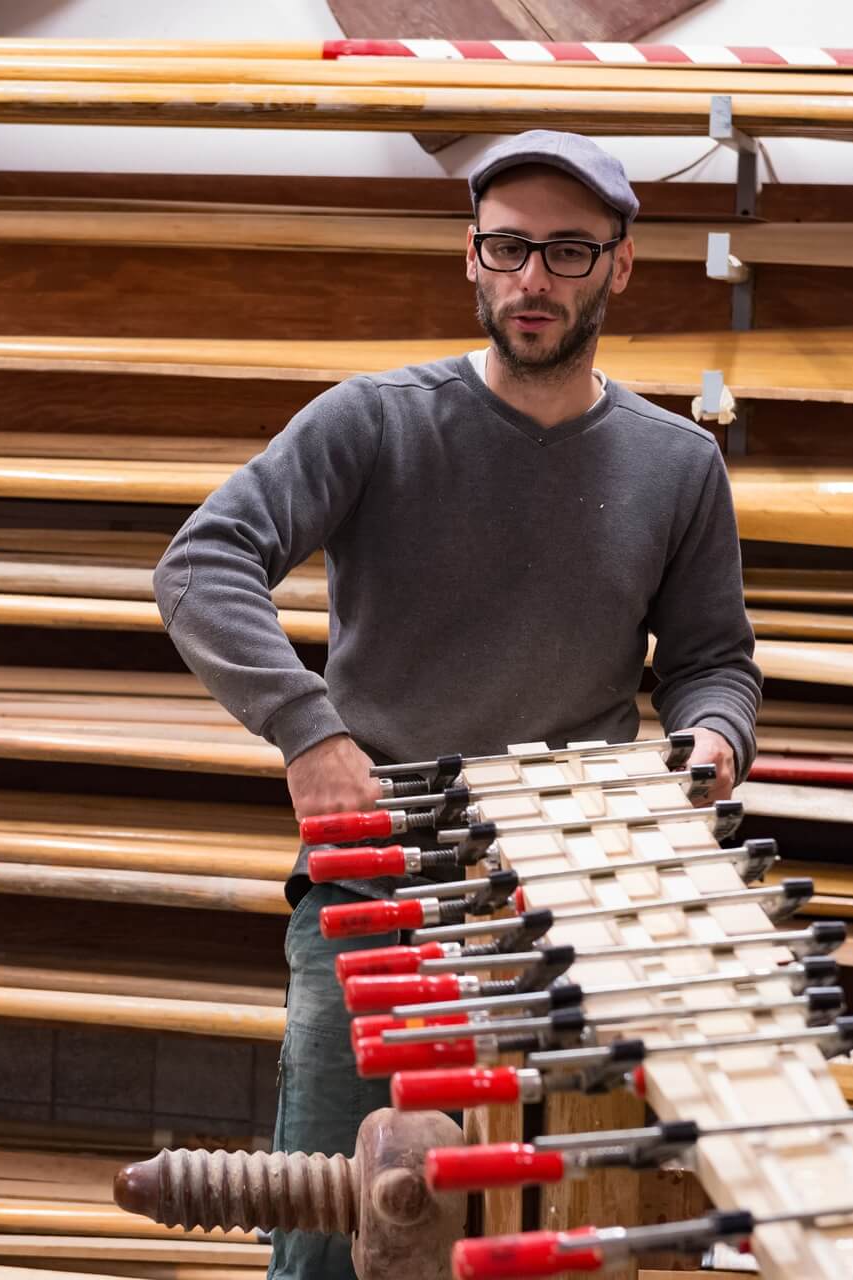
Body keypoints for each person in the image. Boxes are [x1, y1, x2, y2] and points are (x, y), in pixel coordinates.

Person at [152, 130, 761, 1280]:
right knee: (340, 1225)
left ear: (620, 266)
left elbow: (712, 660)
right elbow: (200, 564)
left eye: (568, 251)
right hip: (377, 890)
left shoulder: (678, 464)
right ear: (470, 258)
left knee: (547, 1240)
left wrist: (714, 735)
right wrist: (308, 727)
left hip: (574, 901)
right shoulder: (374, 421)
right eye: (510, 247)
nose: (534, 278)